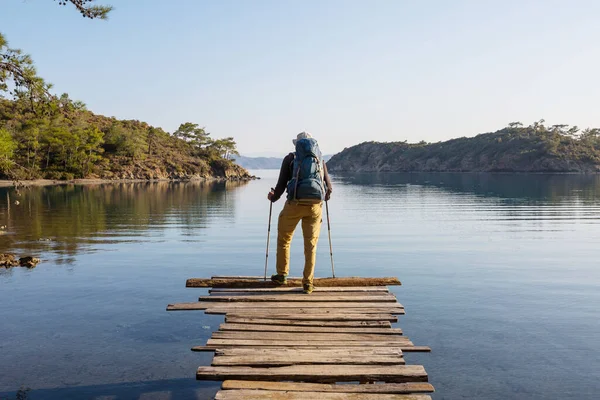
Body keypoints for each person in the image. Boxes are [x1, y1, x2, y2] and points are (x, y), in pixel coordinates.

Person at [267, 132, 332, 294]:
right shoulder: (320, 160)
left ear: (297, 144)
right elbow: (329, 189)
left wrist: (273, 198)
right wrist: (323, 198)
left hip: (294, 204)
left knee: (284, 239)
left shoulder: (290, 159)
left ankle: (282, 275)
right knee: (310, 245)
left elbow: (281, 186)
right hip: (315, 207)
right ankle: (308, 283)